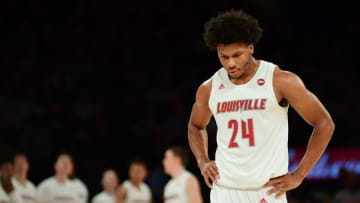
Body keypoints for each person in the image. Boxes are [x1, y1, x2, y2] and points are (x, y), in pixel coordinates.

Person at [187, 9, 335, 203]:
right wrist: (202, 161)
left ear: (251, 48)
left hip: (266, 191)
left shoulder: (280, 80)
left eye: (237, 55)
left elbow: (324, 123)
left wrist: (299, 174)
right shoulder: (209, 87)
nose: (230, 63)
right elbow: (195, 126)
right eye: (224, 56)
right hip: (224, 190)